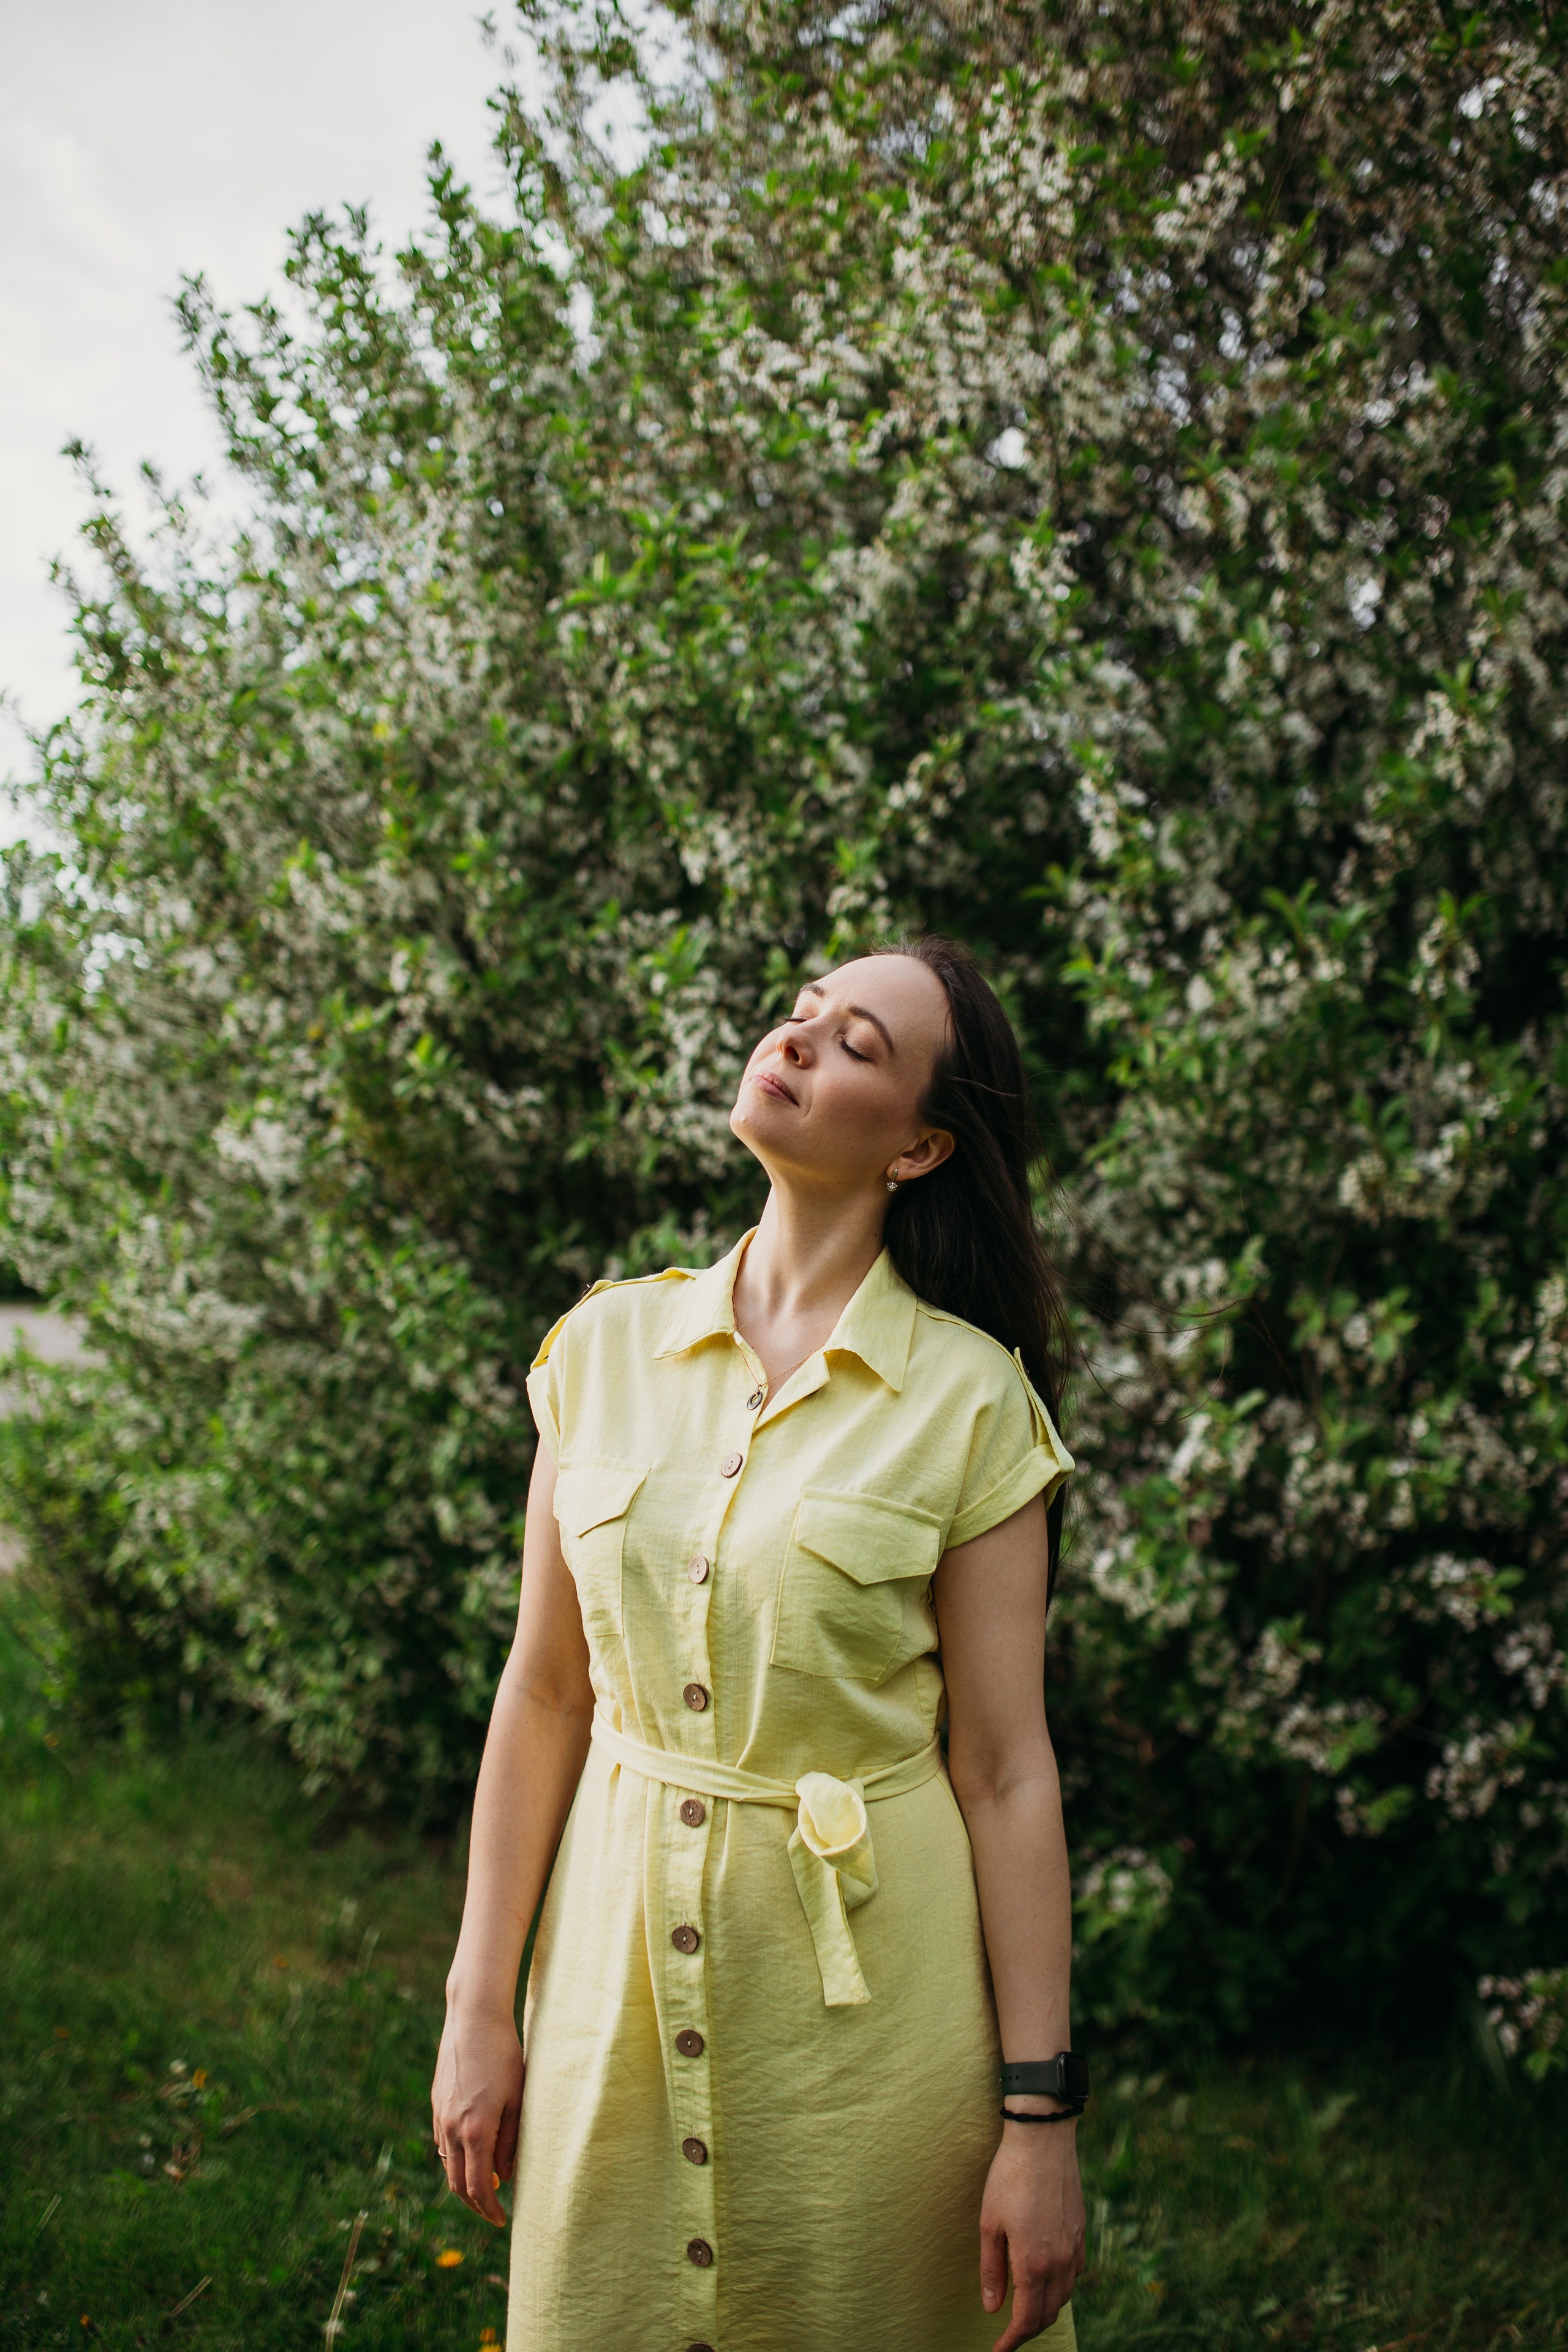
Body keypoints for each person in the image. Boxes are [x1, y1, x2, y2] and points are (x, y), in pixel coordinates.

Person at [431, 935, 1087, 2352]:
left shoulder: (971, 1407)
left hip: (869, 2047)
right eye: (800, 1016)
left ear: (917, 1149)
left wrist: (1036, 2117)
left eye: (855, 1044)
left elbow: (1004, 1774)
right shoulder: (598, 1350)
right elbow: (543, 1695)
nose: (792, 1044)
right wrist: (479, 2002)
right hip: (605, 1989)